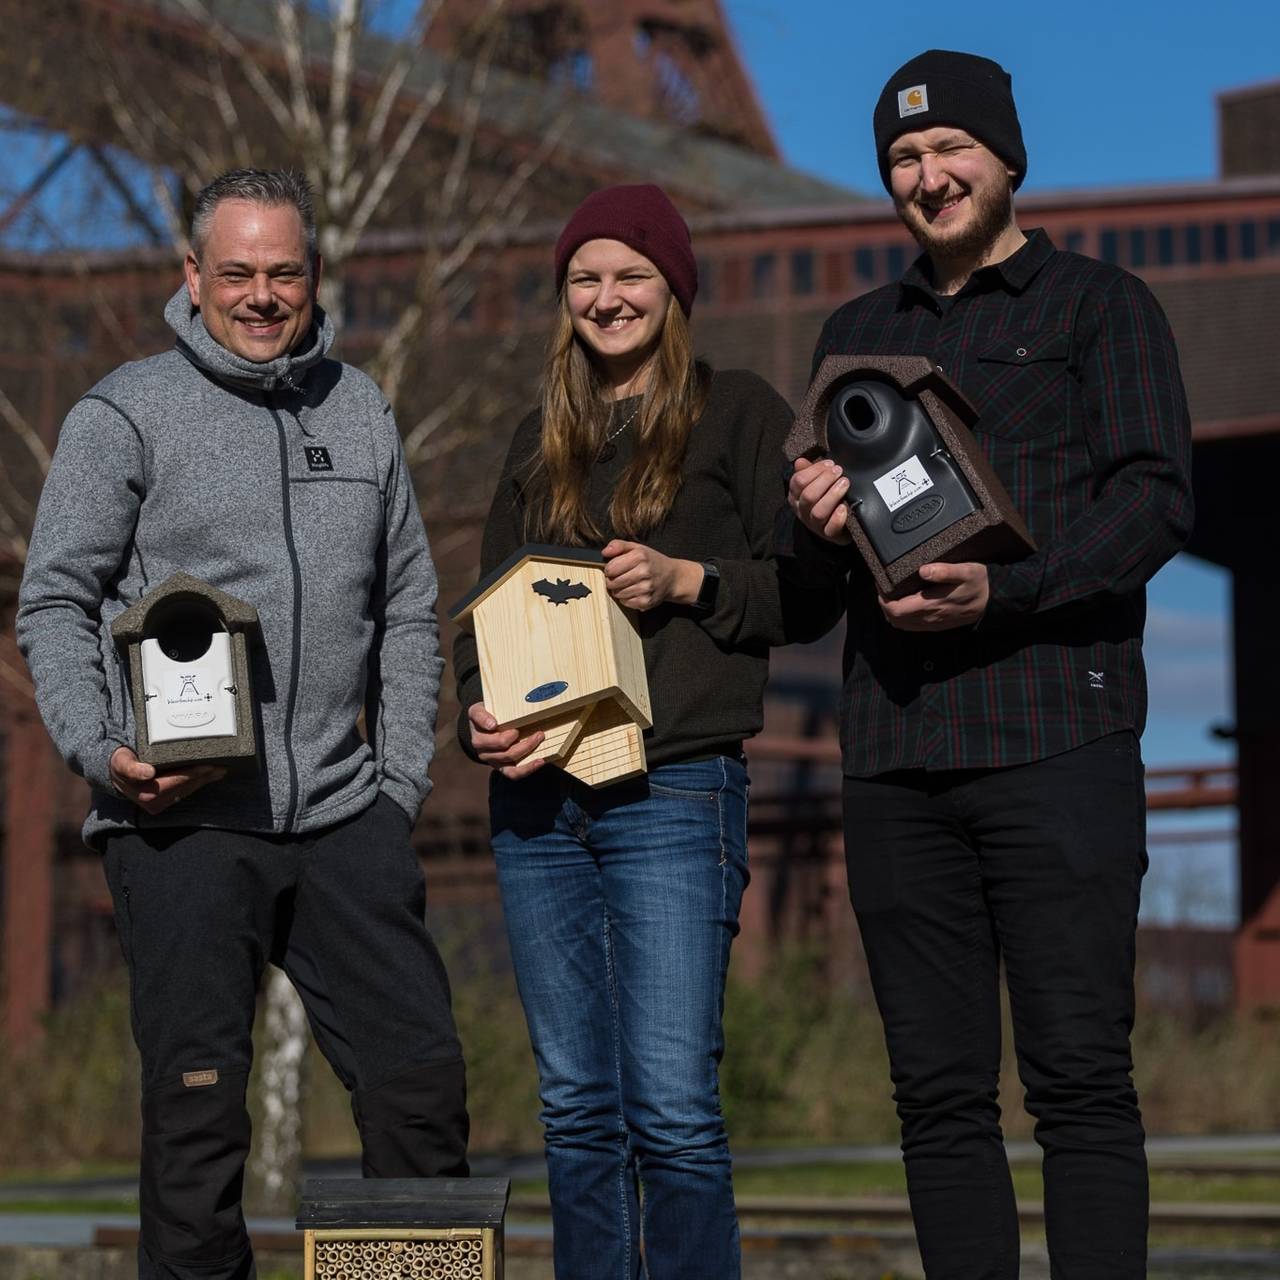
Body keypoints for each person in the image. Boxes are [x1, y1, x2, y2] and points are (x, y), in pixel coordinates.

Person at [784, 51, 1194, 1280]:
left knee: (1075, 1078)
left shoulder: (1097, 308)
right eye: (902, 160)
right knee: (937, 1096)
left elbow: (1155, 503)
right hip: (897, 757)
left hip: (1054, 738)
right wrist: (809, 523)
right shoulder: (852, 334)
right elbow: (814, 592)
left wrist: (1003, 586)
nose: (927, 174)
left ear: (1007, 159)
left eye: (949, 150)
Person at [17, 169, 468, 1280]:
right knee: (199, 1125)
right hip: (176, 821)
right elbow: (54, 601)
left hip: (341, 812)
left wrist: (397, 782)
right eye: (237, 273)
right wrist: (99, 751)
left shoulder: (359, 405)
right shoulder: (123, 413)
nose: (261, 296)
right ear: (192, 278)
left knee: (419, 1088)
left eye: (282, 273)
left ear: (312, 278)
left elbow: (408, 600)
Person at [454, 183, 821, 1279]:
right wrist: (481, 711)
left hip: (670, 789)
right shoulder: (538, 438)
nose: (607, 297)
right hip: (536, 801)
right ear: (563, 298)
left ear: (673, 289)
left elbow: (806, 593)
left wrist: (687, 577)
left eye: (630, 275)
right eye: (585, 279)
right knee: (573, 1104)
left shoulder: (740, 412)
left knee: (668, 1104)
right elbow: (484, 608)